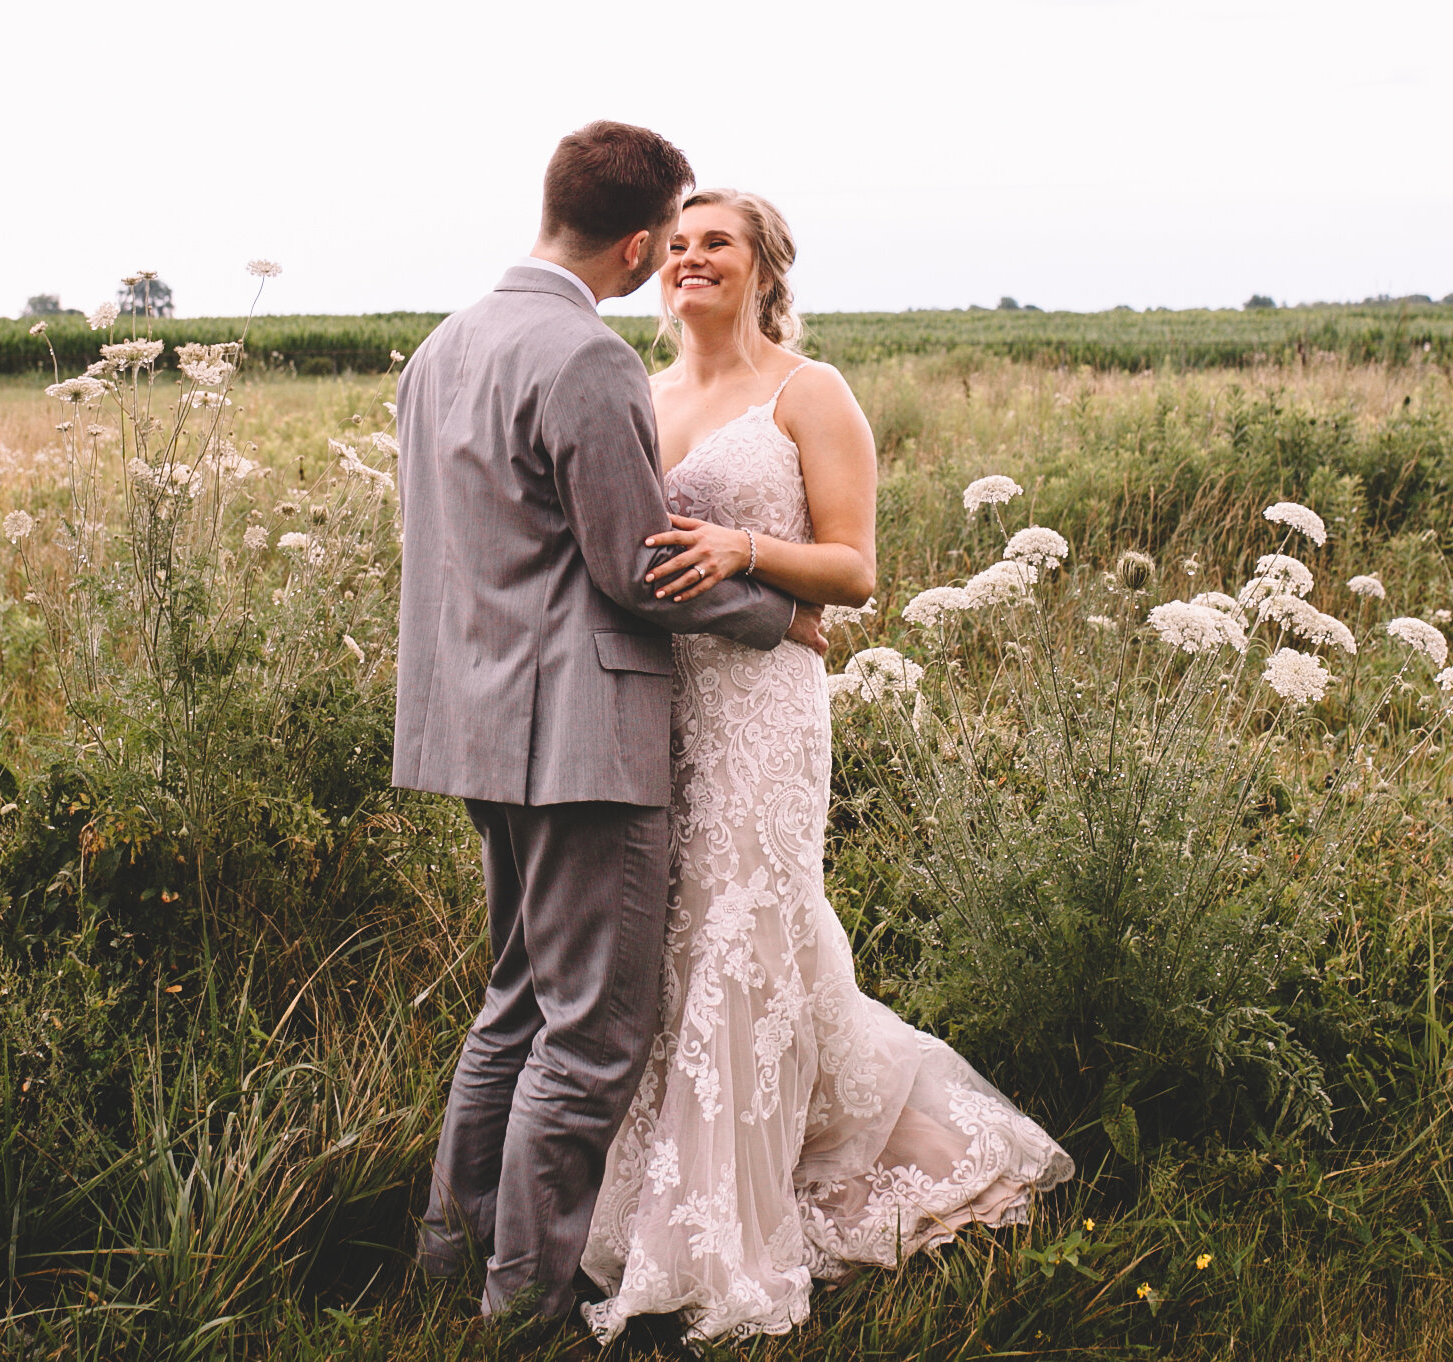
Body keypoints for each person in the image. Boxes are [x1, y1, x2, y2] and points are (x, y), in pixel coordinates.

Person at [577, 189, 1074, 1345]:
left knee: (749, 928)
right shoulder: (641, 398)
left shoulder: (810, 392)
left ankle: (731, 1239)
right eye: (682, 245)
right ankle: (671, 1193)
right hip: (663, 706)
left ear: (763, 271)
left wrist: (746, 550)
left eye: (720, 245)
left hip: (763, 710)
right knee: (671, 944)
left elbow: (853, 572)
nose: (694, 259)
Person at [391, 122, 824, 1326]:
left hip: (473, 727)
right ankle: (525, 1314)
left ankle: (451, 1254)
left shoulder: (441, 349)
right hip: (580, 740)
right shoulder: (585, 360)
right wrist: (773, 615)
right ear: (638, 245)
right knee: (591, 1038)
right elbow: (637, 572)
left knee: (516, 1001)